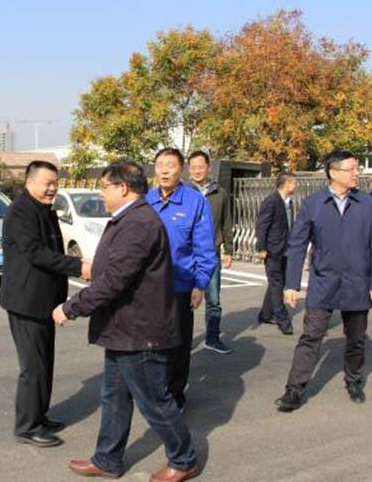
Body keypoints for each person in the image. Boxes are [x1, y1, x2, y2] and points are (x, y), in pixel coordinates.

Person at [52, 160, 199, 482]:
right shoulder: (129, 218)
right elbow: (114, 271)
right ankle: (107, 459)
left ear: (122, 187)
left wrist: (71, 307)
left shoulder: (138, 223)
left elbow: (114, 280)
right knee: (114, 398)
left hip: (140, 331)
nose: (101, 194)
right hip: (122, 329)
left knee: (155, 402)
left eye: (104, 187)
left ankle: (184, 459)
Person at [276, 150, 372, 412]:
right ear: (333, 173)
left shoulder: (367, 204)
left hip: (357, 283)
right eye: (351, 169)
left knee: (356, 338)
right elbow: (297, 244)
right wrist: (292, 284)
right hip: (323, 283)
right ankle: (294, 389)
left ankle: (354, 380)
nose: (357, 173)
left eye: (357, 168)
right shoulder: (313, 204)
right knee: (311, 337)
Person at [0, 160, 92, 447]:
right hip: (26, 301)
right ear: (30, 181)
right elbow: (36, 253)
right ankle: (27, 427)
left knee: (45, 362)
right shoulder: (21, 211)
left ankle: (39, 415)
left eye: (56, 183)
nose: (53, 188)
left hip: (44, 300)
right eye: (47, 183)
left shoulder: (43, 209)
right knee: (33, 367)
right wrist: (78, 266)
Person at [147, 148, 218, 411]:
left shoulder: (194, 202)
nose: (165, 170)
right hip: (149, 290)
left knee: (178, 345)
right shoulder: (145, 201)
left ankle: (175, 396)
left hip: (180, 286)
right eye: (160, 165)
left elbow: (205, 248)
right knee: (151, 345)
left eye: (171, 165)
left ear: (181, 169)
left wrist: (200, 284)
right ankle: (155, 393)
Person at [187, 150, 235, 354]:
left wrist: (229, 249)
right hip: (186, 256)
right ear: (188, 169)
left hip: (211, 254)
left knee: (213, 299)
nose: (197, 171)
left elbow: (226, 222)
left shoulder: (220, 193)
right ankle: (183, 341)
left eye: (201, 167)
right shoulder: (183, 193)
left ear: (208, 168)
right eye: (193, 167)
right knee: (184, 300)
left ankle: (212, 338)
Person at [255, 171, 297, 335]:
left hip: (285, 249)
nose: (295, 185)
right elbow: (262, 225)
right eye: (293, 182)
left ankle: (265, 314)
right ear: (286, 184)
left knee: (276, 283)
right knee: (277, 284)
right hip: (272, 250)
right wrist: (261, 247)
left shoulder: (289, 202)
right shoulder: (271, 201)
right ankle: (283, 320)